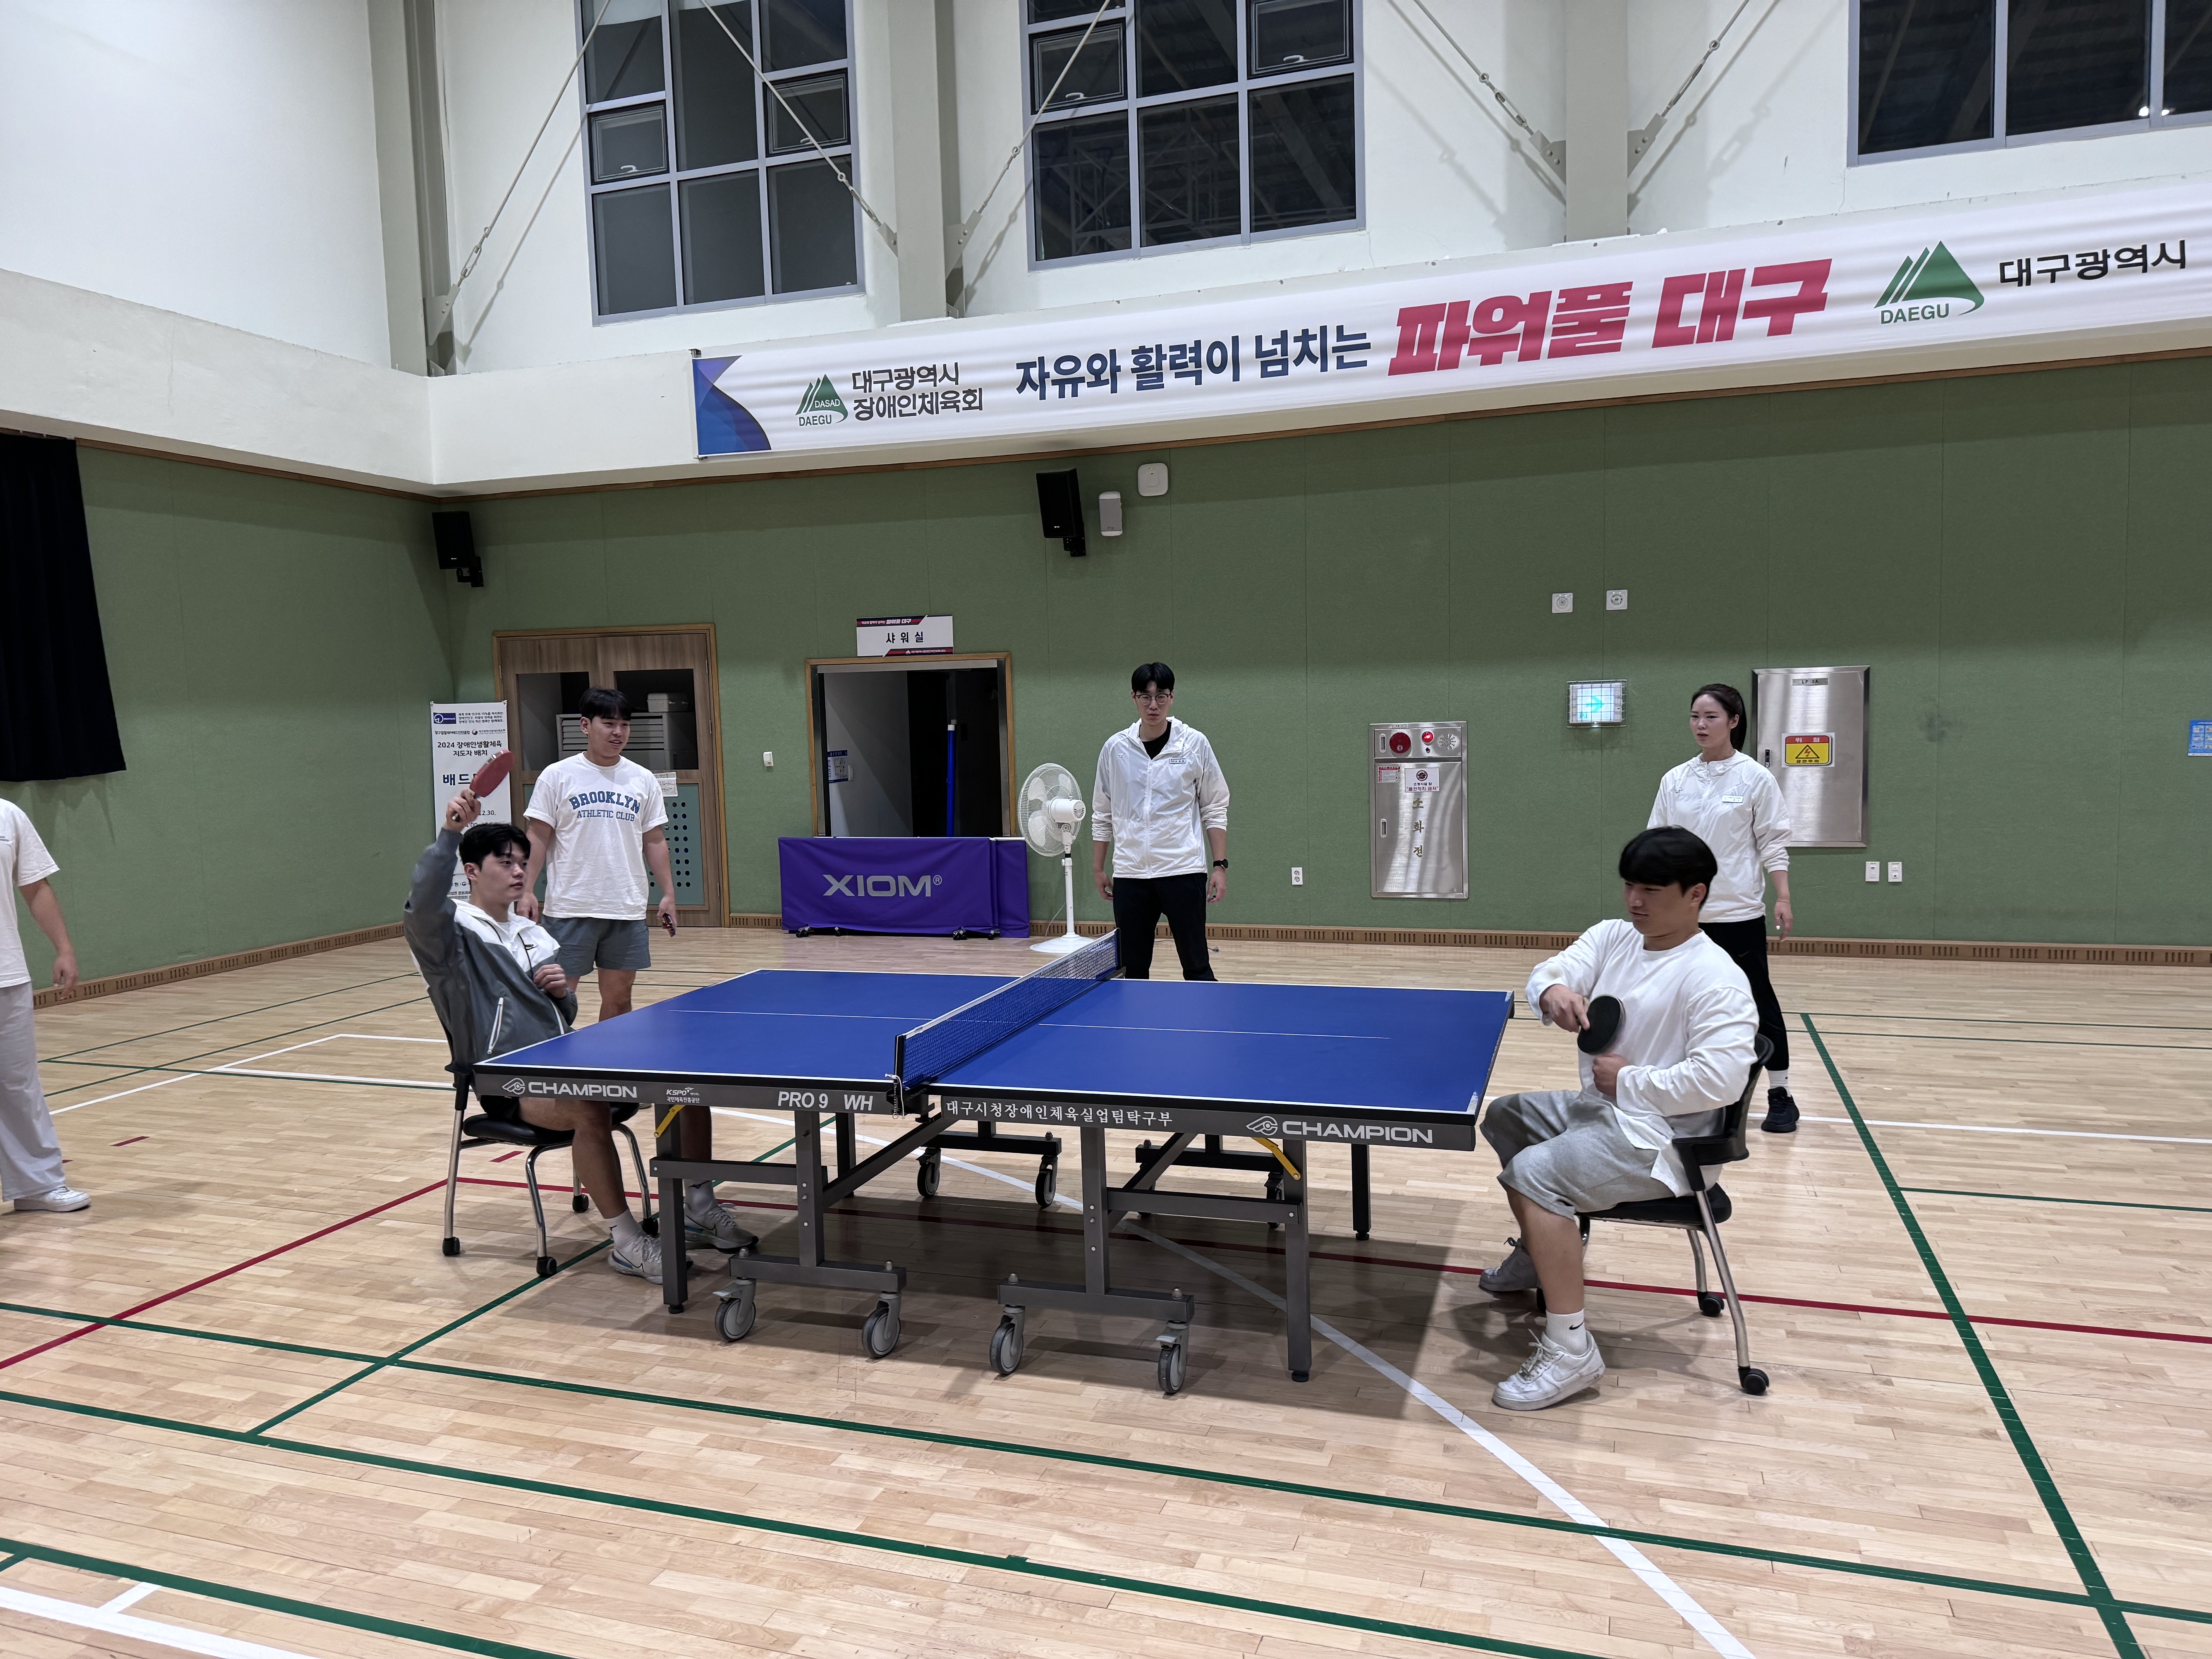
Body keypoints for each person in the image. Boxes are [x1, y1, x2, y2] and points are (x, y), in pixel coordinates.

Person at [406, 788, 753, 1283]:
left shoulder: (534, 933)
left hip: (563, 1061)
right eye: (505, 863)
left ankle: (697, 1204)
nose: (519, 871)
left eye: (523, 862)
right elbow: (422, 902)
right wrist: (451, 833)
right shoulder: (450, 933)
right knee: (588, 1106)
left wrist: (560, 995)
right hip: (508, 1080)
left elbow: (561, 1015)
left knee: (683, 1080)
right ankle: (627, 1242)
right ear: (472, 872)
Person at [1476, 828, 1756, 1411]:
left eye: (1651, 890)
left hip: (1664, 1142)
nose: (1635, 901)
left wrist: (1630, 1081)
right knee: (1505, 1117)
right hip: (1602, 1114)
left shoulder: (1716, 977)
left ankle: (1571, 1349)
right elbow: (1552, 969)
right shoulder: (1614, 938)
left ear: (1696, 894)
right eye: (1629, 886)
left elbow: (1722, 1079)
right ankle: (1540, 1254)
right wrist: (1553, 991)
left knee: (1533, 1174)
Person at [1647, 683, 1800, 1133]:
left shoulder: (1755, 778)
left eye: (1711, 717)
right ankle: (1685, 1094)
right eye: (1695, 716)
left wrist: (1783, 896)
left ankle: (1781, 1093)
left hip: (1737, 914)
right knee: (1677, 1005)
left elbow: (1773, 842)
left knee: (1757, 1001)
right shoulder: (1675, 780)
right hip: (1684, 918)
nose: (1701, 725)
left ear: (1734, 721)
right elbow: (1658, 842)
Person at [517, 687, 680, 1022]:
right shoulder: (557, 776)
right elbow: (538, 836)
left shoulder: (643, 779)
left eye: (625, 725)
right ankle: (555, 1056)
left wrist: (668, 894)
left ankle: (610, 1056)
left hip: (626, 908)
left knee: (620, 1003)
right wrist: (527, 890)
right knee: (557, 1001)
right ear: (585, 725)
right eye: (609, 724)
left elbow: (654, 840)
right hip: (570, 907)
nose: (618, 732)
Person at [1091, 661, 1230, 981]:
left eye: (1161, 696)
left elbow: (1215, 807)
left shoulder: (1195, 744)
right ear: (1134, 697)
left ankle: (1205, 1015)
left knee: (1197, 966)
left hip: (1183, 871)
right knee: (1132, 970)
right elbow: (1102, 813)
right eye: (1145, 697)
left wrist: (1220, 866)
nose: (1153, 705)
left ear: (1172, 698)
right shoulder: (1115, 749)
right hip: (1131, 875)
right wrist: (1099, 868)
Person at [1, 800, 88, 1215]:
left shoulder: (8, 815)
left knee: (18, 1085)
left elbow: (35, 886)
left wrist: (64, 948)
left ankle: (37, 1185)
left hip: (6, 974)